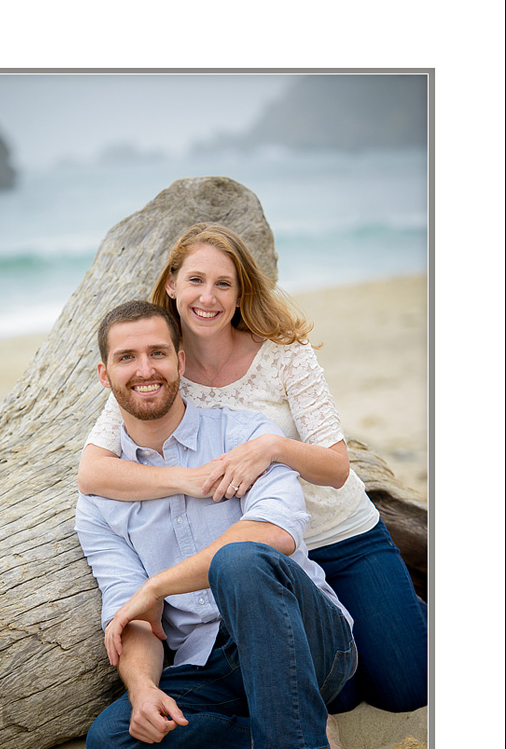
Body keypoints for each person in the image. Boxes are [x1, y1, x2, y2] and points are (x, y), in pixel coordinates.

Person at [78, 223, 427, 714]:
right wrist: (187, 480)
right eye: (196, 280)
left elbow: (336, 467)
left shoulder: (284, 355)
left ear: (241, 294)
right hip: (268, 558)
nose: (208, 297)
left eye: (224, 284)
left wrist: (271, 448)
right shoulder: (159, 367)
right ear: (172, 284)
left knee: (407, 688)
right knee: (341, 696)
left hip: (342, 537)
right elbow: (93, 474)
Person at [75, 301, 357, 749]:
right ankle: (296, 731)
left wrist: (159, 585)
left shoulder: (244, 437)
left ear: (181, 362)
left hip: (306, 638)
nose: (145, 370)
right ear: (105, 373)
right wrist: (142, 690)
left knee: (239, 560)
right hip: (212, 662)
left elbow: (273, 535)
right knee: (112, 744)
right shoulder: (99, 504)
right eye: (127, 357)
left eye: (158, 353)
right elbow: (131, 614)